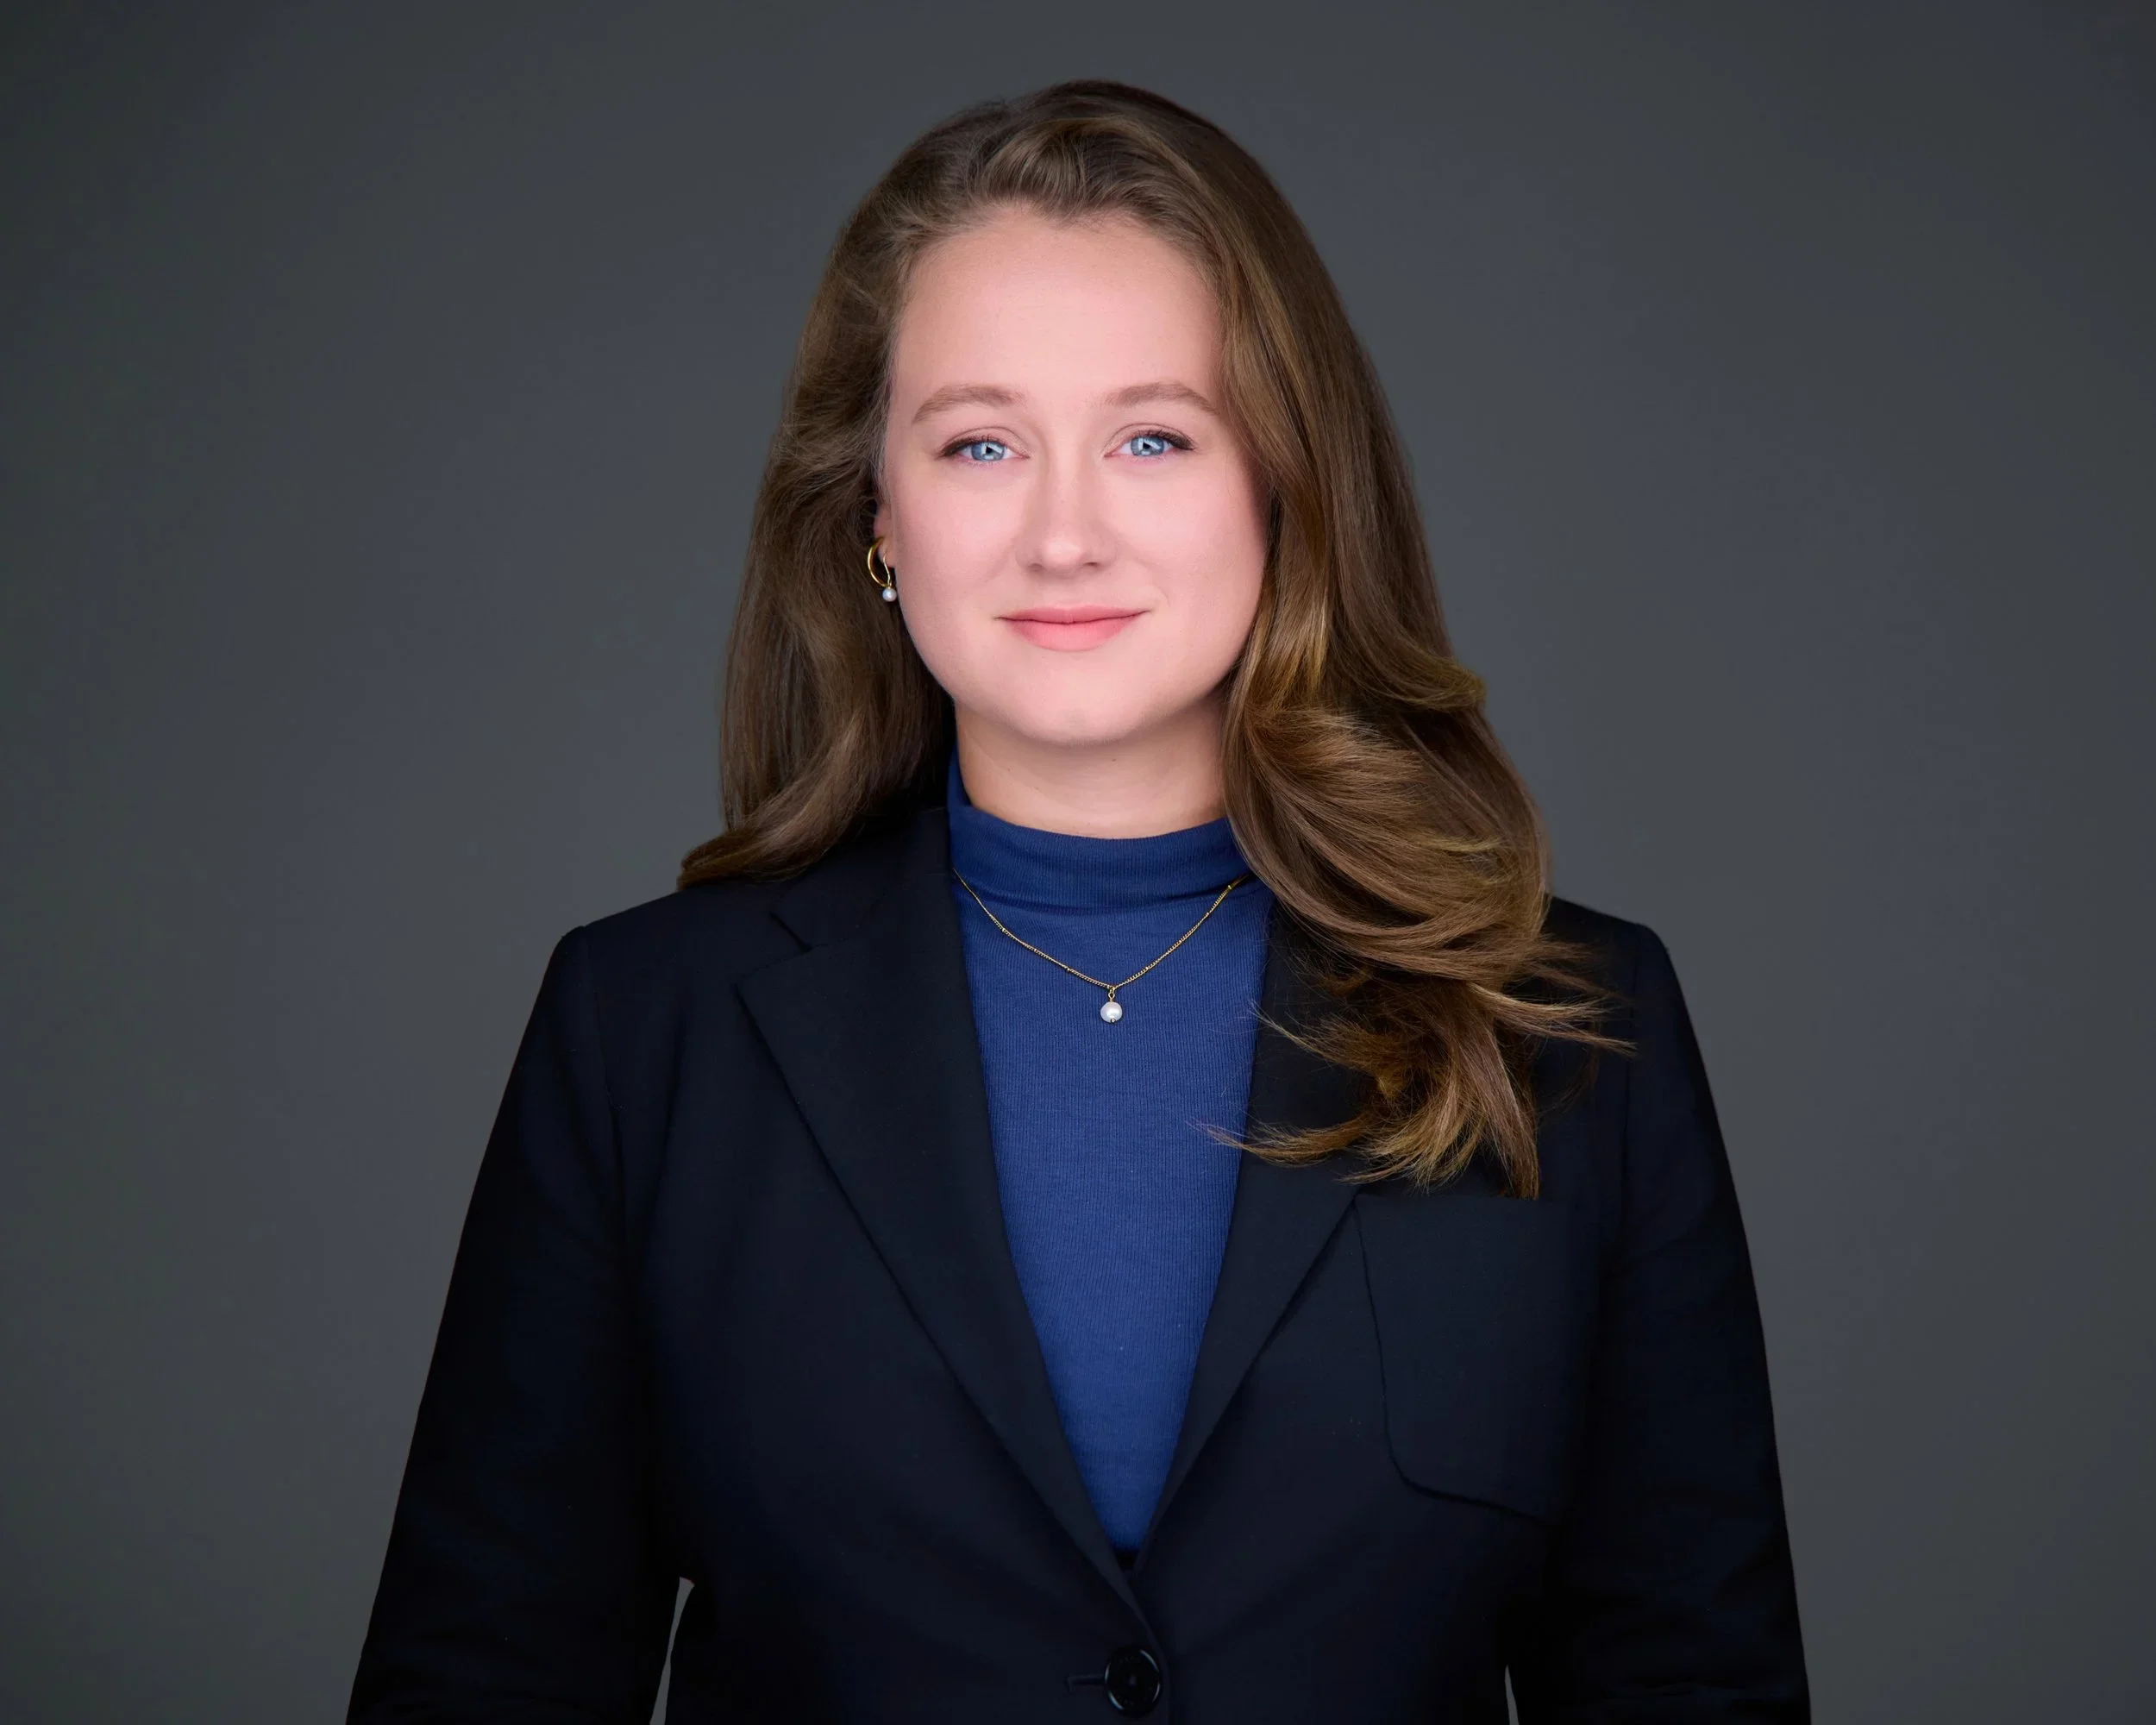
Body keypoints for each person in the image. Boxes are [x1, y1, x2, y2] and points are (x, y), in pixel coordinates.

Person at [348, 79, 1808, 1724]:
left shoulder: (1574, 1033)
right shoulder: (644, 1036)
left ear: (1283, 491)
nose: (1062, 533)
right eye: (980, 443)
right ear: (878, 520)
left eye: (1153, 437)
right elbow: (482, 1681)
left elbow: (1697, 1686)